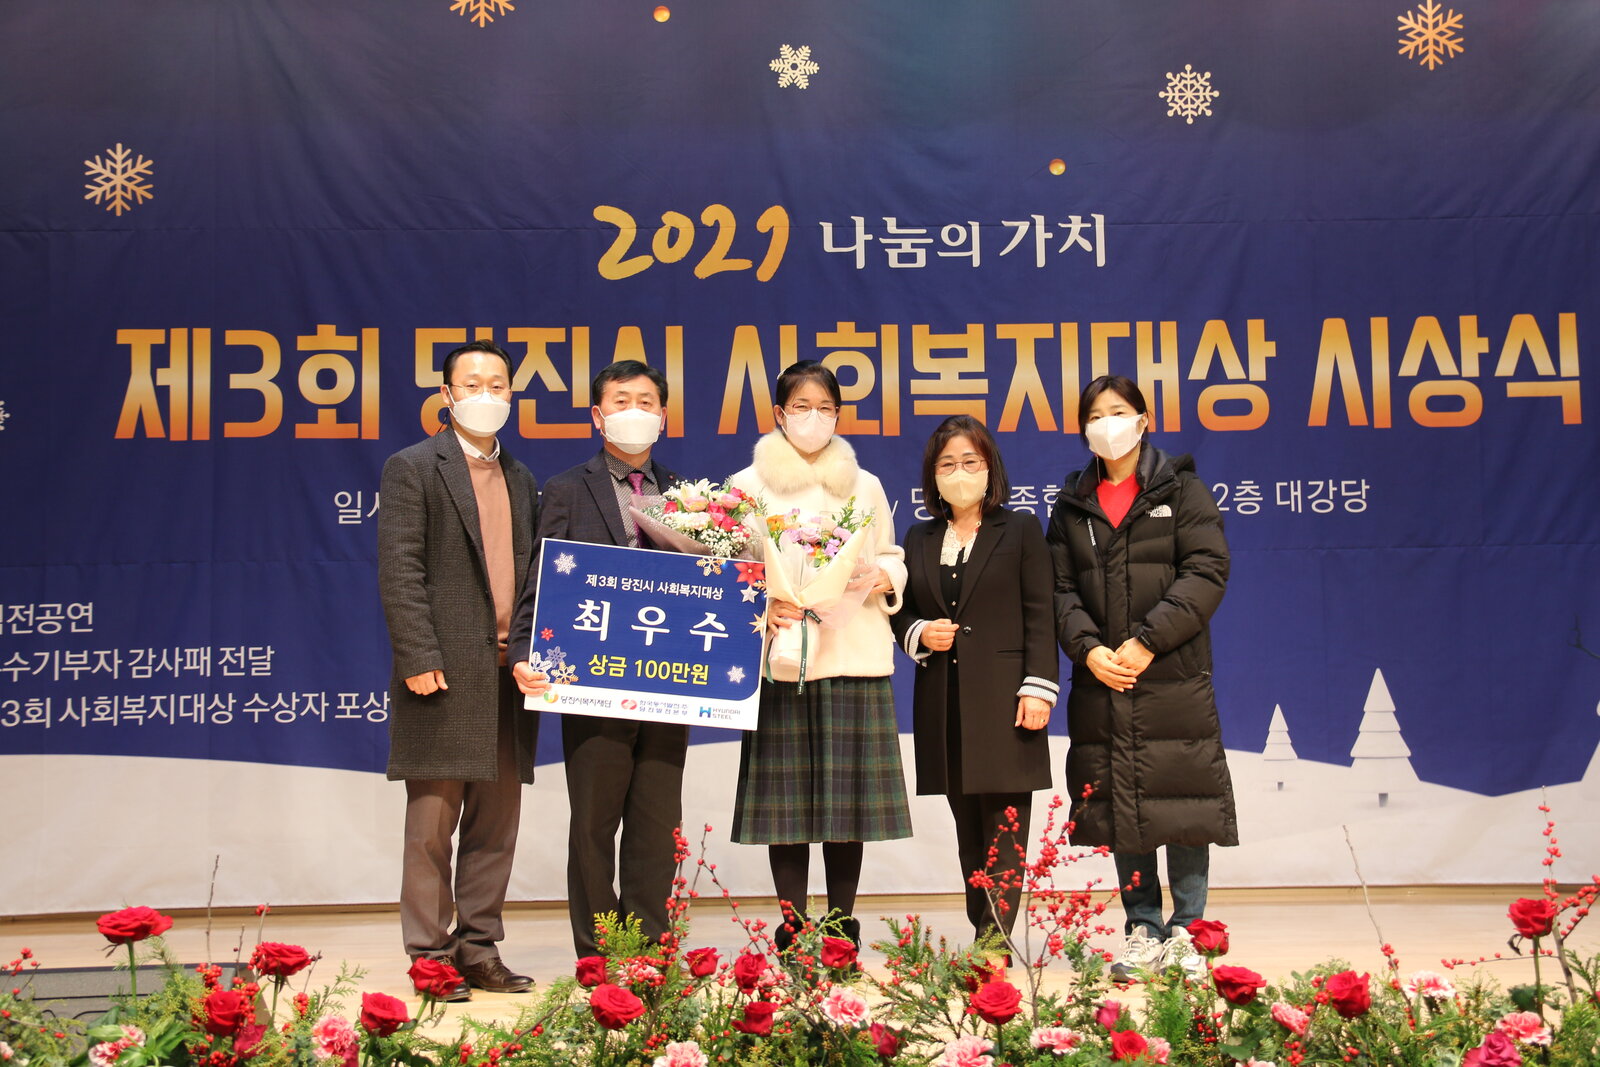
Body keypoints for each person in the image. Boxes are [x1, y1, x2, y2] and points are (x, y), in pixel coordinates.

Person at [1045, 374, 1237, 980]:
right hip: (1104, 679)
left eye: (1118, 411)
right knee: (1120, 805)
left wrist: (1149, 640)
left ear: (1143, 420)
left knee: (1184, 800)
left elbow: (1206, 569)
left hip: (1171, 674)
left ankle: (1188, 931)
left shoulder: (1181, 489)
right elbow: (1058, 589)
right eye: (1095, 416)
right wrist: (1088, 650)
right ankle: (1143, 928)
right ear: (1084, 430)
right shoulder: (1071, 503)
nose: (1107, 424)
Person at [507, 359, 686, 959]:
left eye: (646, 401)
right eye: (620, 401)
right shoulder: (566, 488)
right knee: (593, 822)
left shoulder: (688, 494)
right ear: (597, 415)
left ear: (663, 416)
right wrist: (524, 650)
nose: (634, 411)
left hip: (668, 681)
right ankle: (599, 952)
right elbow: (540, 578)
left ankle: (650, 949)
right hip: (592, 680)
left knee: (657, 823)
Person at [727, 360, 910, 949]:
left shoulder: (865, 485)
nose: (814, 418)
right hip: (781, 659)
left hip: (852, 655)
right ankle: (791, 923)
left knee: (846, 806)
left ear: (838, 415)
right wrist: (763, 600)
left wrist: (880, 574)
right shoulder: (745, 486)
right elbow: (725, 574)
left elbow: (892, 555)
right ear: (779, 414)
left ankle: (839, 926)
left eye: (826, 408)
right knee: (786, 809)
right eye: (802, 407)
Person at [378, 339, 540, 999]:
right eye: (471, 384)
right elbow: (401, 569)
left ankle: (478, 949)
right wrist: (418, 656)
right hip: (442, 675)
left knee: (495, 827)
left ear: (511, 394)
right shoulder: (413, 467)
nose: (485, 394)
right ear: (446, 395)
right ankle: (429, 955)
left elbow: (533, 578)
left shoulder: (521, 477)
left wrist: (533, 652)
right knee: (432, 827)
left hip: (509, 675)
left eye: (497, 384)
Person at [890, 415, 1057, 953]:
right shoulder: (918, 537)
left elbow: (1041, 613)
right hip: (945, 703)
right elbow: (900, 611)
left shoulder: (1021, 529)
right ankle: (982, 933)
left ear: (990, 468)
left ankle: (993, 944)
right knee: (968, 831)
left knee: (1005, 827)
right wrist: (918, 631)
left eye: (970, 462)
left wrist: (1039, 686)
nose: (959, 473)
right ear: (932, 475)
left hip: (1007, 699)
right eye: (947, 464)